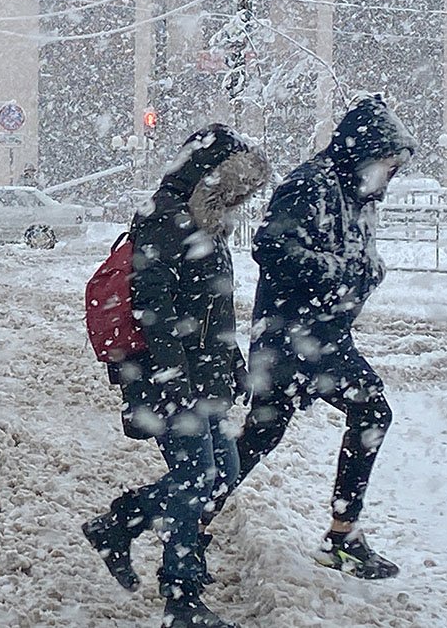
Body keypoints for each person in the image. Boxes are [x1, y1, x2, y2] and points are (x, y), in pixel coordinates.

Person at [212, 94, 416, 579]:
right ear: (363, 151)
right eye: (386, 164)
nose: (390, 176)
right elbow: (271, 248)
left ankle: (185, 515)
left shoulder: (355, 193)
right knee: (372, 411)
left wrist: (368, 271)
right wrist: (342, 273)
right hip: (296, 338)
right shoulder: (311, 186)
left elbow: (356, 260)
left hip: (315, 335)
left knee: (262, 434)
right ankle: (343, 535)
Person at [83, 124, 270, 628]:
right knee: (195, 478)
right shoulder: (165, 220)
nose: (237, 201)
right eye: (231, 189)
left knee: (222, 472)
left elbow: (214, 307)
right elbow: (153, 308)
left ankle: (118, 525)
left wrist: (232, 364)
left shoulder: (206, 221)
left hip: (203, 376)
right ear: (207, 177)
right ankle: (181, 598)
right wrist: (172, 377)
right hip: (166, 376)